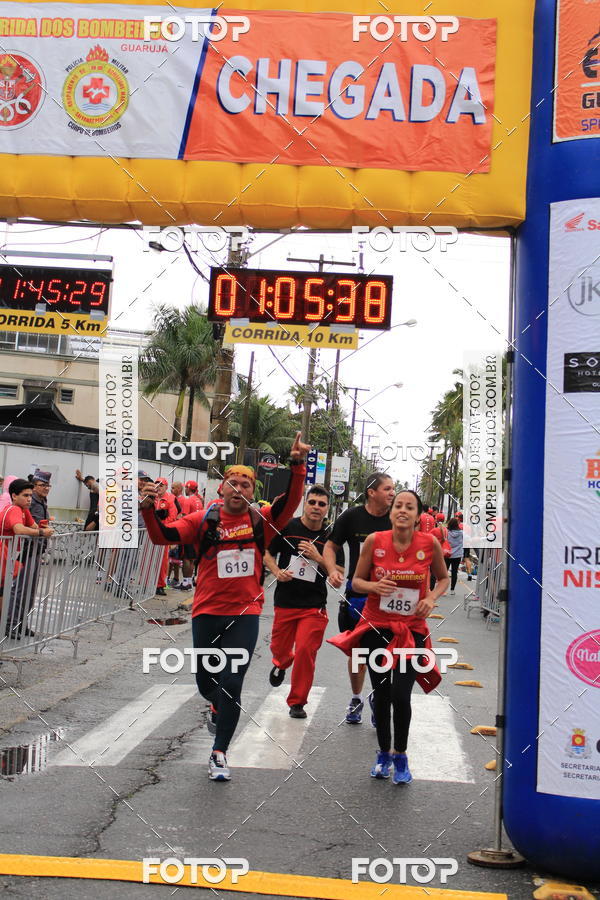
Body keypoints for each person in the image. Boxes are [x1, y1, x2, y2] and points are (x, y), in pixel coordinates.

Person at [139, 432, 309, 781]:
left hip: (245, 612)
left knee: (232, 681)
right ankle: (215, 704)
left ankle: (219, 753)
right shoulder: (203, 519)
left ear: (253, 492)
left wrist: (297, 465)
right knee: (205, 681)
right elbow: (163, 537)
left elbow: (290, 502)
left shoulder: (261, 519)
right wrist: (147, 510)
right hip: (206, 611)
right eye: (233, 482)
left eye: (246, 485)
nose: (239, 488)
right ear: (221, 489)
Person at [328, 490, 449, 784]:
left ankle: (401, 755)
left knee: (400, 694)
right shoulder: (375, 541)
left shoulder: (429, 543)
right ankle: (383, 753)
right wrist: (374, 587)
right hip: (377, 627)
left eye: (410, 507)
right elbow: (355, 581)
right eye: (398, 506)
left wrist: (431, 598)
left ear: (419, 515)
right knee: (382, 694)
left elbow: (443, 578)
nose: (403, 510)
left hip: (411, 630)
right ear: (391, 512)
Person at [264, 485, 343, 718]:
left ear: (327, 508)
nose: (316, 507)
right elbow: (266, 552)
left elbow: (338, 572)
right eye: (312, 502)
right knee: (280, 649)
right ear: (305, 504)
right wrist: (277, 571)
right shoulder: (288, 527)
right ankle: (281, 662)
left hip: (313, 605)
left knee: (306, 652)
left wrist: (318, 558)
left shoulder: (330, 537)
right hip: (285, 601)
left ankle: (297, 702)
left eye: (321, 504)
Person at [323, 472, 395, 725]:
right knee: (358, 655)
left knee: (385, 654)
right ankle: (356, 698)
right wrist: (332, 569)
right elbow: (331, 546)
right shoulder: (351, 517)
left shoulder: (396, 518)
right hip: (358, 596)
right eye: (387, 488)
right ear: (371, 492)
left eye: (393, 489)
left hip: (389, 597)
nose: (392, 493)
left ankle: (379, 697)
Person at [2, 479, 52, 639]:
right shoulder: (14, 509)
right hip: (4, 557)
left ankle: (12, 625)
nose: (29, 499)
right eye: (25, 495)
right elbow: (19, 528)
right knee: (11, 593)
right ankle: (8, 626)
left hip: (8, 558)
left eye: (30, 495)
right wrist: (42, 533)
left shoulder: (24, 510)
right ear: (14, 496)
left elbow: (34, 526)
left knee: (8, 593)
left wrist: (43, 528)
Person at [177, 480, 205, 592]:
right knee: (192, 559)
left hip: (189, 532)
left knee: (186, 558)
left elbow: (184, 517)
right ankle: (188, 582)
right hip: (198, 533)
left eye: (186, 488)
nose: (185, 490)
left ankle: (185, 582)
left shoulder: (188, 501)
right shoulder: (199, 500)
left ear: (189, 488)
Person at [154, 478, 178, 596]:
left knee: (162, 561)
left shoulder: (171, 499)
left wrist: (162, 527)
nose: (158, 487)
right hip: (151, 533)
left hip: (163, 534)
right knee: (148, 560)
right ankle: (147, 584)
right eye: (157, 485)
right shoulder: (152, 498)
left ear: (166, 487)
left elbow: (172, 517)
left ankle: (160, 585)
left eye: (161, 485)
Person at [446, 517, 463, 595]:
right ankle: (452, 590)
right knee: (454, 572)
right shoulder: (461, 533)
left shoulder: (446, 532)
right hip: (457, 555)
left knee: (444, 572)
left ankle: (443, 590)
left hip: (447, 554)